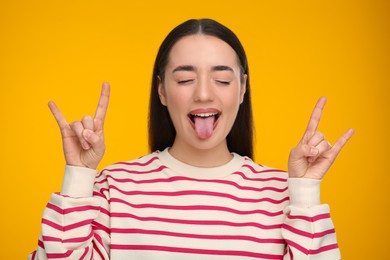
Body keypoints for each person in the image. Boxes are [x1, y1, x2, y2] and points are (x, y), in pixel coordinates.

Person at [29, 18, 354, 259]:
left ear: (242, 90)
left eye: (222, 79)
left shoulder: (285, 195)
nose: (202, 93)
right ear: (162, 91)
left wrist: (306, 192)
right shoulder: (114, 188)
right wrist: (79, 176)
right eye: (185, 78)